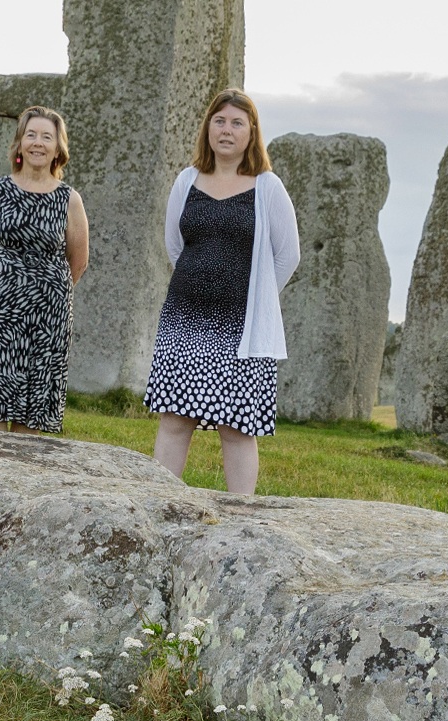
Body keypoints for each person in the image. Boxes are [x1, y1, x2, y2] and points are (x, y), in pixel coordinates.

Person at [144, 89, 300, 494]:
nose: (226, 130)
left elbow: (288, 256)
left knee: (236, 426)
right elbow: (175, 246)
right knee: (175, 418)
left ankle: (240, 517)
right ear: (207, 128)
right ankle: (159, 505)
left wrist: (256, 299)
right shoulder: (187, 180)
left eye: (236, 123)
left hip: (242, 328)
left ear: (252, 133)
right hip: (185, 318)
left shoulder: (267, 187)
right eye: (219, 121)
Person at [0, 106, 90, 435]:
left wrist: (43, 292)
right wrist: (5, 287)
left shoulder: (69, 200)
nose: (38, 143)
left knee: (32, 407)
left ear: (59, 148)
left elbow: (79, 260)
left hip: (47, 317)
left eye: (47, 137)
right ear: (20, 143)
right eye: (31, 135)